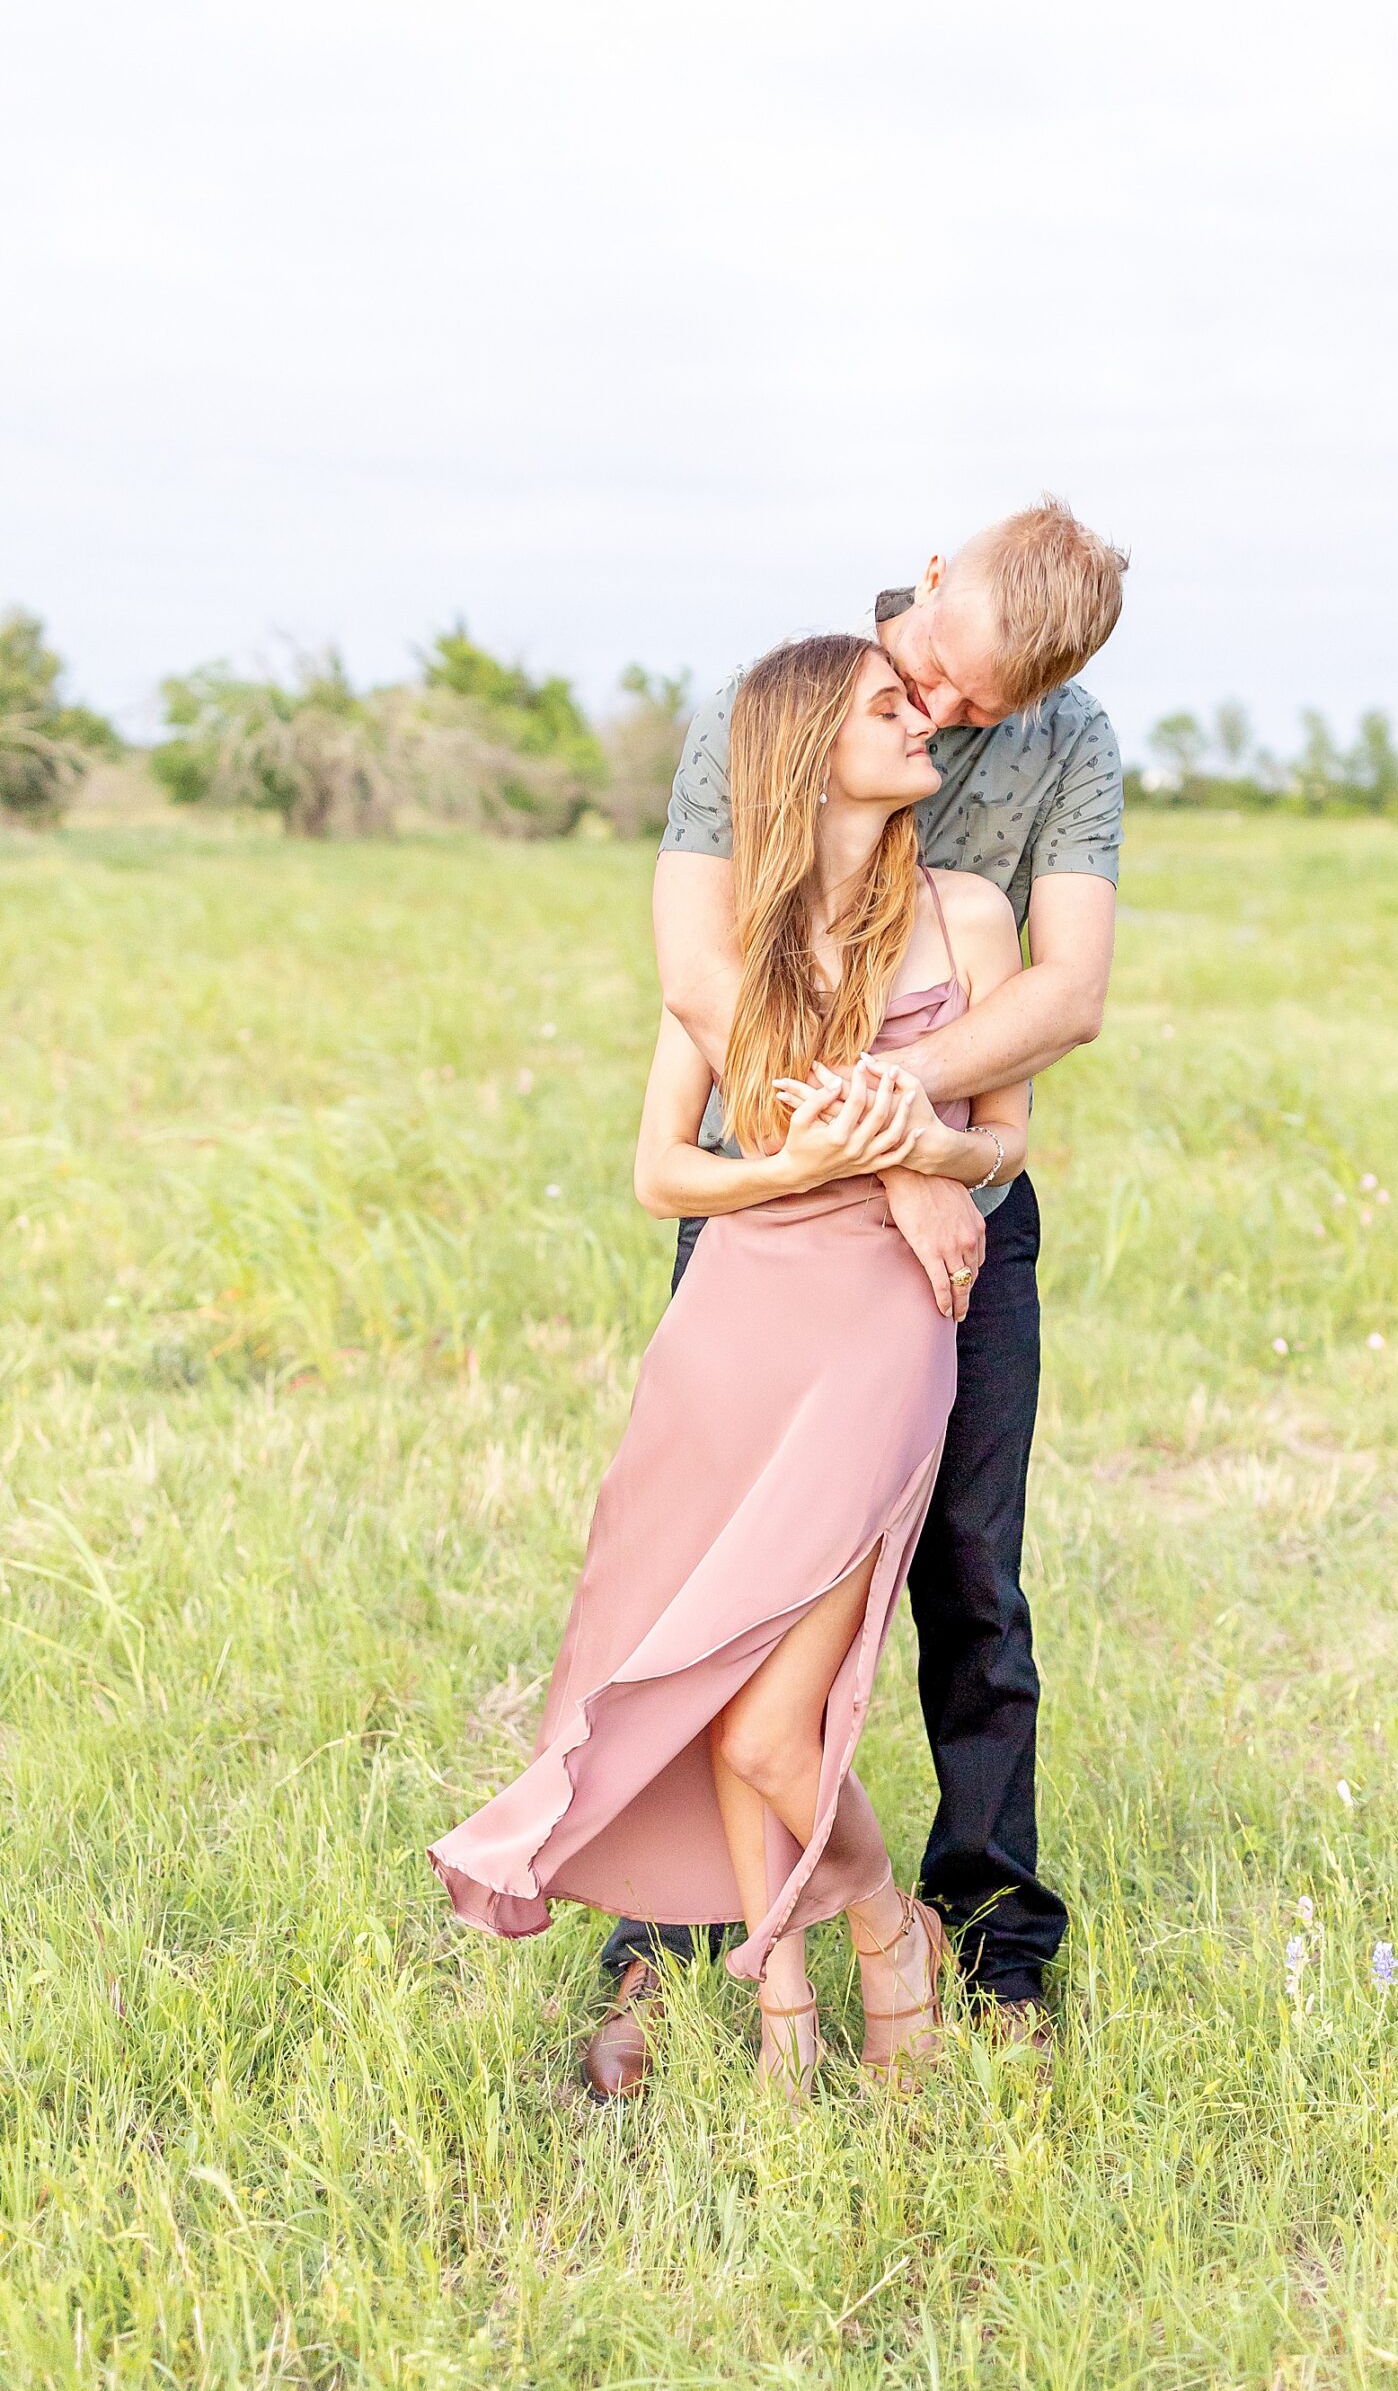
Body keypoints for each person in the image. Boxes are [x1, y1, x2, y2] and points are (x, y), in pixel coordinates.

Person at [429, 633, 1031, 2100]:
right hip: (734, 1326)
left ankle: (889, 1935)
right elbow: (659, 1176)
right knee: (712, 1686)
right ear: (809, 747)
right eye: (890, 707)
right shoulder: (731, 949)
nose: (922, 720)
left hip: (884, 1328)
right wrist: (800, 1166)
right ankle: (785, 2031)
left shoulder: (968, 916)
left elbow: (1002, 1144)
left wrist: (922, 1154)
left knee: (776, 1722)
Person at [585, 497, 1128, 2096]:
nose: (954, 722)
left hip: (957, 1223)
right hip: (778, 1230)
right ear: (933, 573)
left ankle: (992, 1938)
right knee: (707, 1589)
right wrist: (878, 1144)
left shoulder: (1073, 744)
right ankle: (673, 1938)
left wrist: (911, 1128)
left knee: (975, 1584)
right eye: (940, 681)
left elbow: (1067, 990)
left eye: (989, 710)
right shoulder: (782, 706)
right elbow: (704, 972)